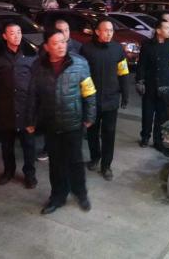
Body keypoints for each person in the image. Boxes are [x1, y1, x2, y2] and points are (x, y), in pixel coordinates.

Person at [28, 28, 96, 214]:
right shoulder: (38, 66)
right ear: (46, 47)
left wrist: (90, 116)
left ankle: (81, 194)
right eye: (55, 43)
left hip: (73, 123)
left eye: (63, 42)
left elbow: (89, 92)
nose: (60, 46)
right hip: (51, 123)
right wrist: (31, 120)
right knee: (56, 164)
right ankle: (58, 196)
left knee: (75, 162)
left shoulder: (79, 63)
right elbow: (33, 96)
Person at [81, 20, 129, 181]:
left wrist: (125, 94)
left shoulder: (117, 49)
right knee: (92, 133)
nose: (109, 33)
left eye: (111, 31)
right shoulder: (86, 49)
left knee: (109, 134)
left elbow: (123, 72)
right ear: (97, 32)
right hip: (92, 101)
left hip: (111, 99)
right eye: (106, 30)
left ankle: (106, 165)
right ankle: (95, 157)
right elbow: (81, 75)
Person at [0, 22, 38, 188]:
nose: (17, 36)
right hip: (6, 108)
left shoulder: (30, 55)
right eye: (12, 33)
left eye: (19, 32)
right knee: (7, 145)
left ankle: (30, 175)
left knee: (29, 145)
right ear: (5, 36)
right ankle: (8, 171)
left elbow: (36, 83)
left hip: (26, 109)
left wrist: (35, 109)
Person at [36, 19, 83, 162]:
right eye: (60, 30)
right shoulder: (45, 48)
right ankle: (48, 148)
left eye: (67, 30)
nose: (64, 33)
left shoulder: (78, 47)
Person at [136, 19, 169, 151]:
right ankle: (145, 137)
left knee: (162, 115)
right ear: (158, 30)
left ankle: (158, 140)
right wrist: (140, 81)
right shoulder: (147, 46)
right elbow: (141, 65)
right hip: (150, 85)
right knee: (147, 114)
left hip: (165, 86)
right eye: (166, 28)